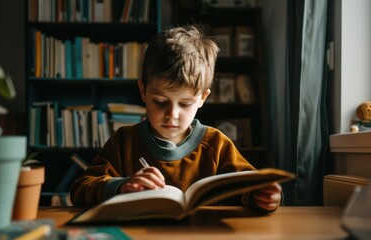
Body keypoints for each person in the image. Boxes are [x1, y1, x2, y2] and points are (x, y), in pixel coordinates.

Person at [70, 25, 282, 212]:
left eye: (185, 104)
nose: (172, 114)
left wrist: (264, 195)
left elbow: (251, 186)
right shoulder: (124, 142)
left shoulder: (216, 145)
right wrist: (121, 186)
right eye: (161, 102)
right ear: (143, 92)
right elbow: (81, 188)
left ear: (202, 98)